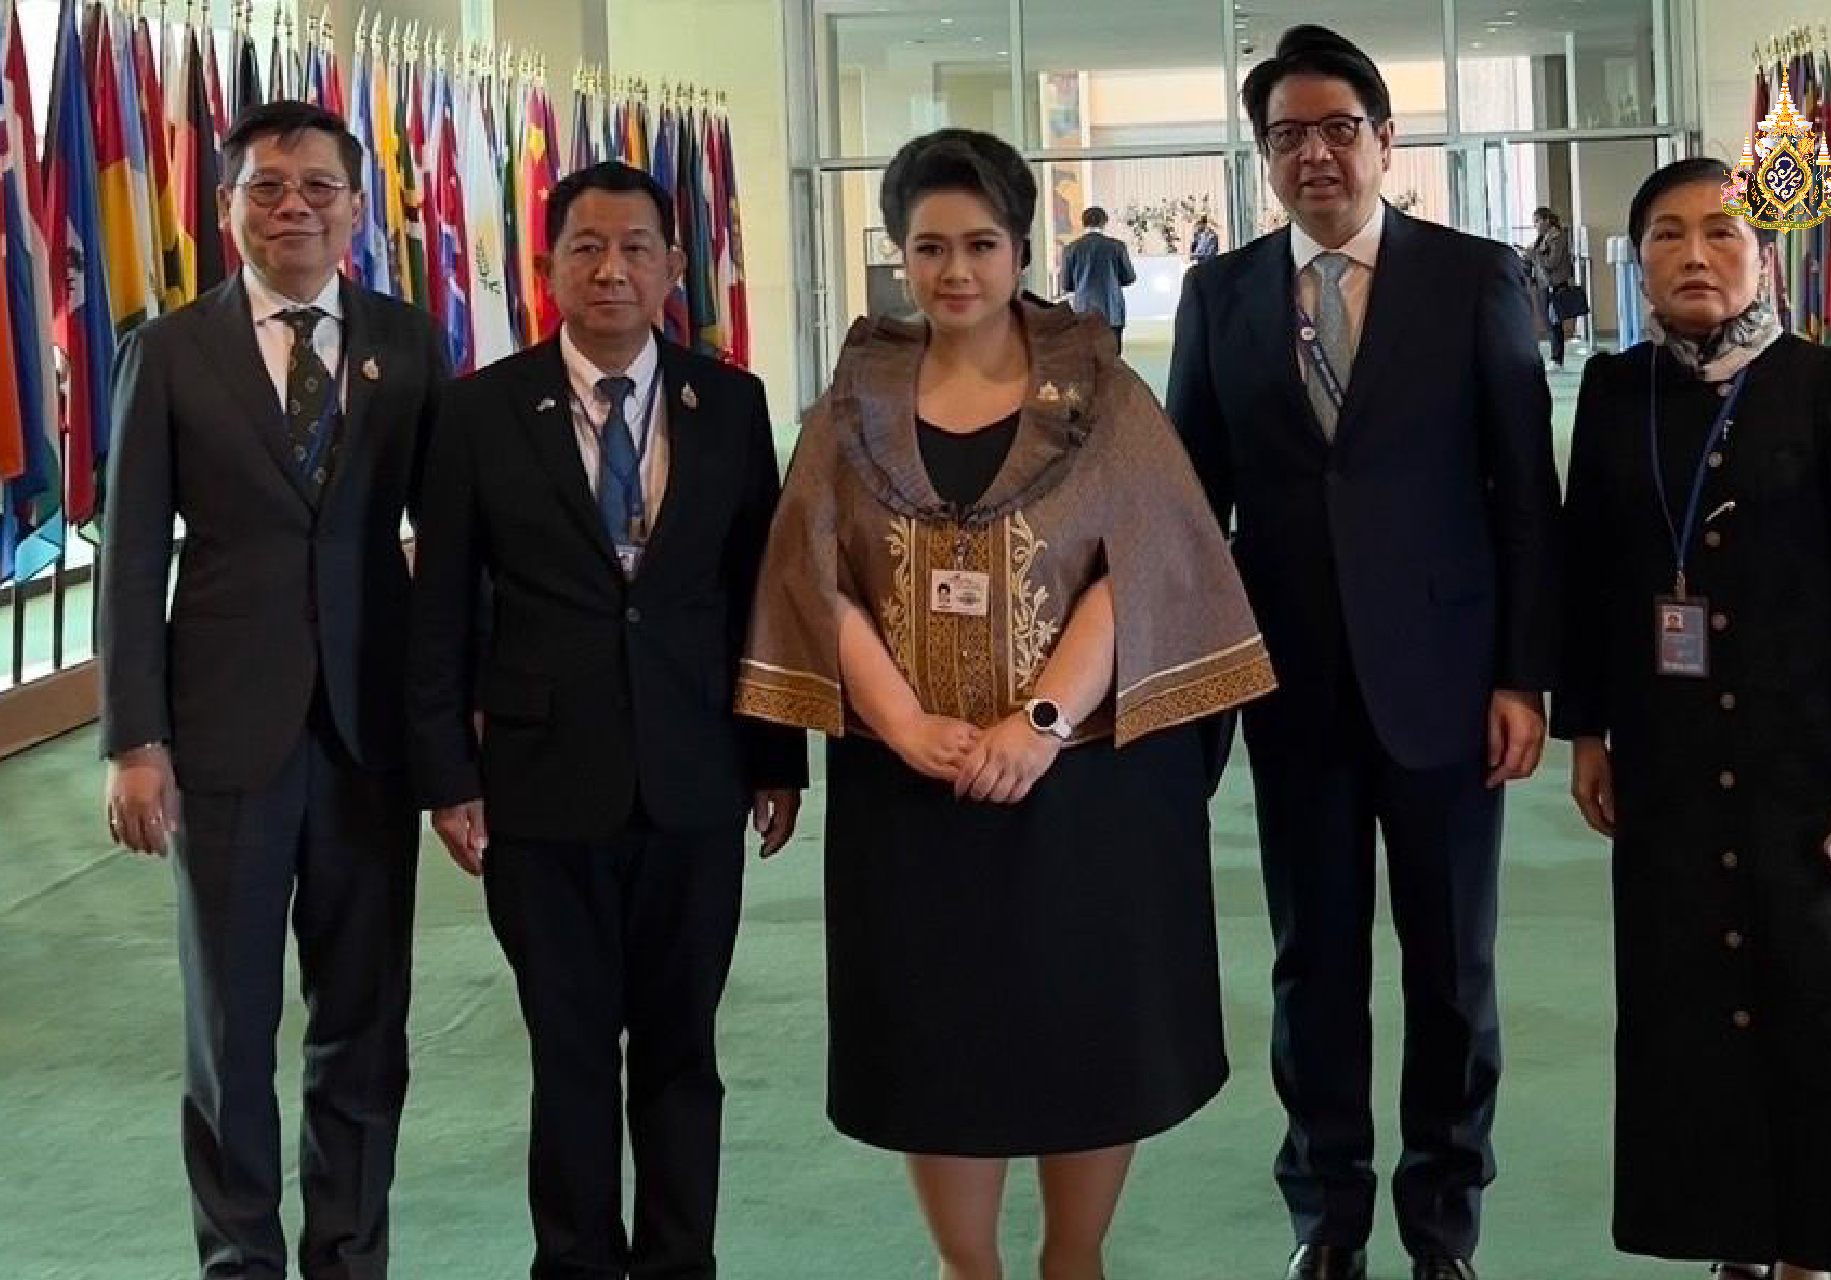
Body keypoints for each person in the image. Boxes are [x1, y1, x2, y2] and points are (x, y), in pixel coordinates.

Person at [736, 127, 1275, 1280]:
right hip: (911, 786)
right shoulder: (853, 404)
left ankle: (1074, 1255)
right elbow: (814, 578)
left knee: (1088, 1020)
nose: (956, 270)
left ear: (1022, 246)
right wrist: (902, 722)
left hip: (1085, 780)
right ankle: (964, 1262)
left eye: (981, 243)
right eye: (930, 246)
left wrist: (1039, 724)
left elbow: (1148, 564)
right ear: (900, 253)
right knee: (940, 1033)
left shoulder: (1103, 391)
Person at [1166, 26, 1561, 1280]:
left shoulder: (1473, 276)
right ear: (1263, 155)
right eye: (1288, 135)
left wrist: (1523, 674)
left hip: (1447, 684)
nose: (1316, 154)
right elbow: (1190, 506)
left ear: (1386, 140)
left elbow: (1523, 492)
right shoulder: (1222, 295)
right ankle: (1326, 1216)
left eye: (1339, 128)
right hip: (1292, 688)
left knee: (1452, 969)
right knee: (1313, 966)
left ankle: (1442, 1220)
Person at [405, 160, 806, 1280]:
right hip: (540, 786)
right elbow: (440, 609)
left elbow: (759, 593)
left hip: (696, 775)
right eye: (587, 246)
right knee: (570, 1050)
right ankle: (574, 1263)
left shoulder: (730, 403)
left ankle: (681, 1262)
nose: (612, 269)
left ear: (675, 266)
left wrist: (777, 756)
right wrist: (448, 777)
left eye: (636, 248)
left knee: (682, 1051)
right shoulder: (481, 409)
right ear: (548, 269)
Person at [97, 101, 448, 1280]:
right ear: (228, 207)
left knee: (365, 1022)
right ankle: (237, 1259)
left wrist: (455, 728)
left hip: (368, 734)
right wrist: (134, 740)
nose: (293, 205)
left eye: (317, 186)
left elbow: (451, 542)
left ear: (356, 208)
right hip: (222, 737)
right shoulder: (168, 351)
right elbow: (131, 558)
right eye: (267, 186)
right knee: (229, 1030)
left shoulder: (409, 342)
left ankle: (350, 1253)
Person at [1555, 156, 1831, 1280]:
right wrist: (1587, 729)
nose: (1696, 255)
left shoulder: (1826, 382)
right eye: (1667, 235)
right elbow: (1588, 572)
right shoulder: (1616, 392)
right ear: (1639, 262)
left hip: (1811, 755)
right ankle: (1733, 1241)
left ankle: (1813, 1245)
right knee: (1692, 1002)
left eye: (1722, 232)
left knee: (1823, 1000)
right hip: (1666, 756)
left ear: (1762, 255)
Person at [1057, 205, 1137, 352]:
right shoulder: (1117, 246)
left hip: (1083, 311)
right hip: (1112, 311)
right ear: (1104, 223)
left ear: (1083, 223)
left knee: (1086, 358)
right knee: (1112, 358)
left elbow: (1066, 284)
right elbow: (1130, 277)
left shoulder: (1071, 248)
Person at [1528, 206, 1575, 369]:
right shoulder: (1542, 238)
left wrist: (1534, 255)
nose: (1535, 225)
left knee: (1554, 322)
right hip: (1544, 283)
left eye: (1537, 221)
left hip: (1554, 284)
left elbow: (1552, 262)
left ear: (1547, 220)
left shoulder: (1557, 237)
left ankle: (1557, 358)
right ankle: (1555, 357)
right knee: (1548, 321)